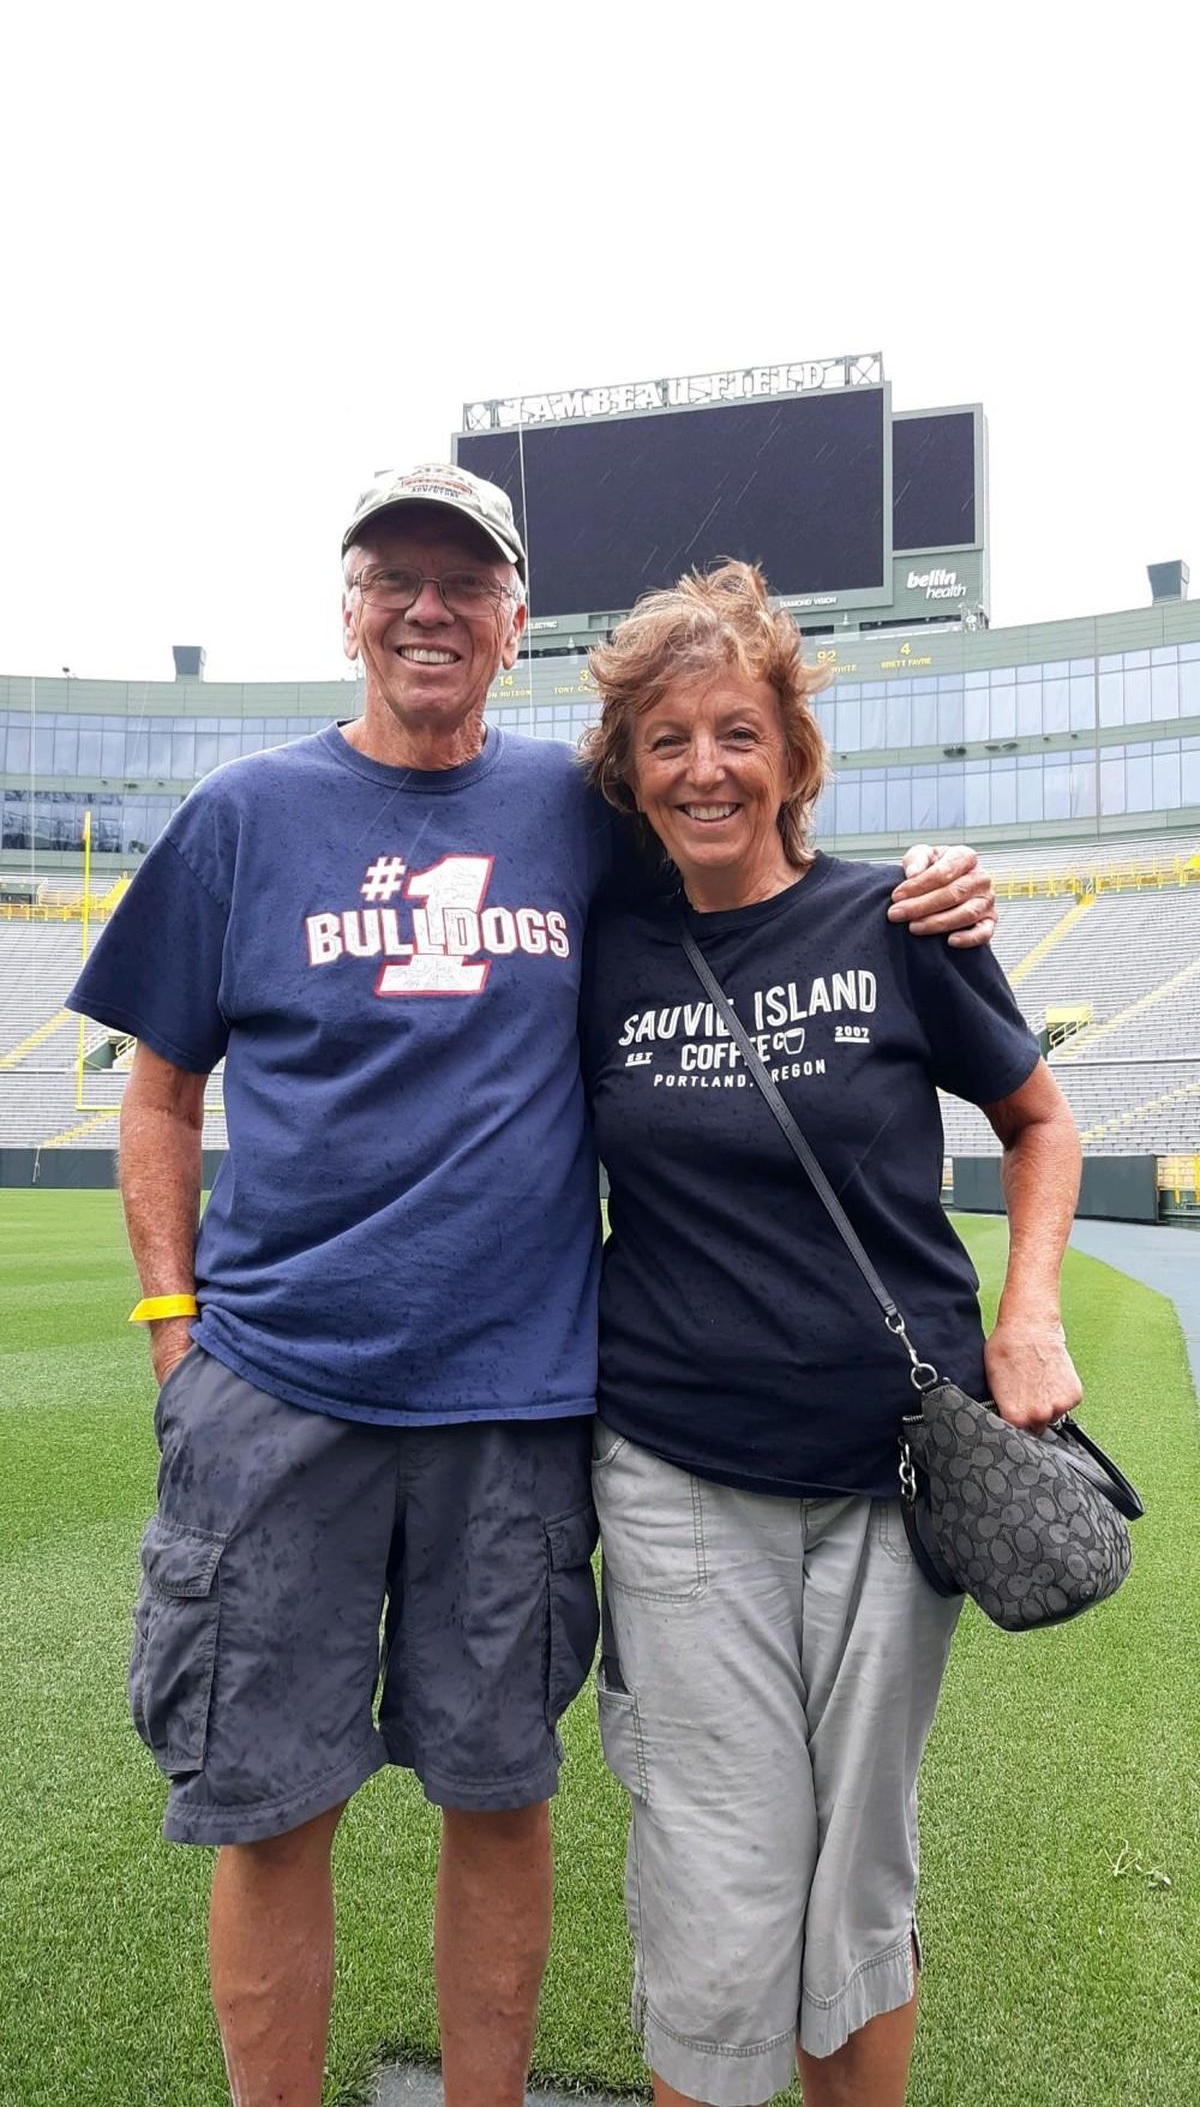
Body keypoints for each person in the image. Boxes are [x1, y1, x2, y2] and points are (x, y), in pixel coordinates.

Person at [66, 468, 998, 2107]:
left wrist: (936, 886)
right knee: (272, 1806)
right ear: (347, 604)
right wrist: (174, 1331)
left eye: (462, 579)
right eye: (391, 573)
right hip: (279, 1390)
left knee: (500, 1794)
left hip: (518, 1406)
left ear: (513, 621)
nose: (426, 606)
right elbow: (158, 1089)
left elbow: (754, 859)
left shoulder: (577, 819)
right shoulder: (242, 816)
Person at [579, 561, 1083, 2107]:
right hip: (675, 1475)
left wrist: (1031, 1310)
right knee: (716, 1888)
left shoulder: (902, 915)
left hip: (890, 1479)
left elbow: (1039, 1119)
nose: (706, 767)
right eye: (668, 740)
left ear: (793, 753)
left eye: (738, 731)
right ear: (630, 774)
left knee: (857, 1886)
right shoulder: (608, 945)